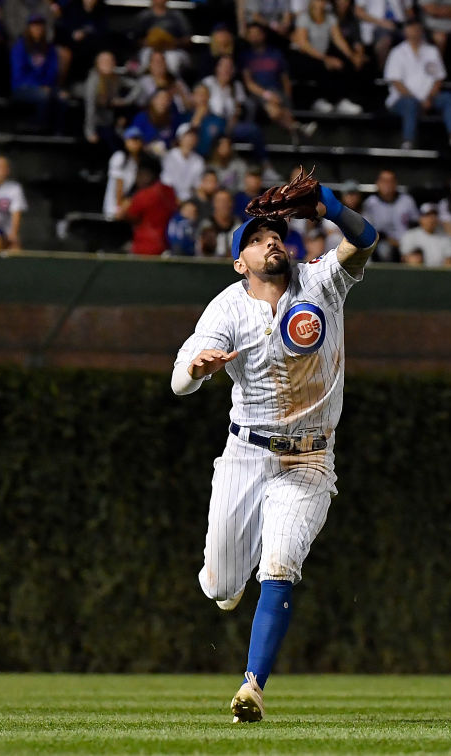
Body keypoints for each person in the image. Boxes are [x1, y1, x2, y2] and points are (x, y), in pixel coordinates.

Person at [169, 180, 378, 725]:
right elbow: (178, 380)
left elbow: (367, 238)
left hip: (309, 460)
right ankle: (225, 585)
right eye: (257, 239)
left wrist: (331, 207)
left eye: (274, 234)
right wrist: (198, 368)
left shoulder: (319, 281)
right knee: (219, 584)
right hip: (246, 455)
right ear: (240, 262)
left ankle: (252, 686)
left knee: (281, 564)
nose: (270, 242)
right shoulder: (226, 309)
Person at [382, 18, 451, 150]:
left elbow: (438, 78)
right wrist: (417, 100)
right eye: (411, 29)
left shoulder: (432, 51)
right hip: (402, 100)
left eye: (417, 29)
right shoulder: (397, 52)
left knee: (448, 98)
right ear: (406, 31)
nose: (414, 32)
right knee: (410, 104)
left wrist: (429, 98)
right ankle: (408, 141)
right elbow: (395, 81)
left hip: (429, 98)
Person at [291, 0, 364, 114]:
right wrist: (325, 58)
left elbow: (338, 39)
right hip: (303, 56)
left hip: (322, 54)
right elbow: (303, 44)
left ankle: (342, 101)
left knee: (344, 62)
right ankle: (319, 101)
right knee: (321, 65)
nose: (321, 3)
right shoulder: (304, 18)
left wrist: (352, 56)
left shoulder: (330, 18)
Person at [10, 13, 66, 134]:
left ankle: (58, 132)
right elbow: (19, 73)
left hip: (45, 86)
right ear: (29, 28)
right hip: (23, 86)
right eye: (34, 26)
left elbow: (52, 70)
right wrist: (38, 85)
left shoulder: (49, 48)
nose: (37, 29)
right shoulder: (20, 47)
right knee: (43, 95)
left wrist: (47, 85)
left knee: (62, 97)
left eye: (40, 26)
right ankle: (37, 127)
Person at [114, 155, 178, 255]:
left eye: (139, 174)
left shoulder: (144, 195)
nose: (137, 178)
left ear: (149, 174)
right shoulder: (170, 191)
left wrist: (123, 210)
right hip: (167, 247)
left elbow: (129, 216)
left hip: (145, 247)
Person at [360, 168, 418, 261]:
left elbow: (415, 224)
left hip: (406, 241)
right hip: (382, 242)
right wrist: (389, 240)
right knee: (384, 249)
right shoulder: (370, 203)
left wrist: (406, 241)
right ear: (378, 183)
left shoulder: (407, 200)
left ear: (395, 183)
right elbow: (369, 230)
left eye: (390, 181)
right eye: (384, 181)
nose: (387, 184)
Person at [104, 125, 144, 219]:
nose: (136, 142)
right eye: (133, 139)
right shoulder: (119, 156)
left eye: (138, 139)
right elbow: (119, 184)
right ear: (126, 141)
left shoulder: (137, 161)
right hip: (113, 206)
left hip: (126, 205)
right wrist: (119, 206)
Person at [162, 122, 205, 201]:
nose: (191, 138)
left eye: (193, 135)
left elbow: (197, 185)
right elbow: (167, 182)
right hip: (169, 197)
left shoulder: (199, 160)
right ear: (180, 138)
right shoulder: (170, 156)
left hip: (190, 200)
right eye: (188, 135)